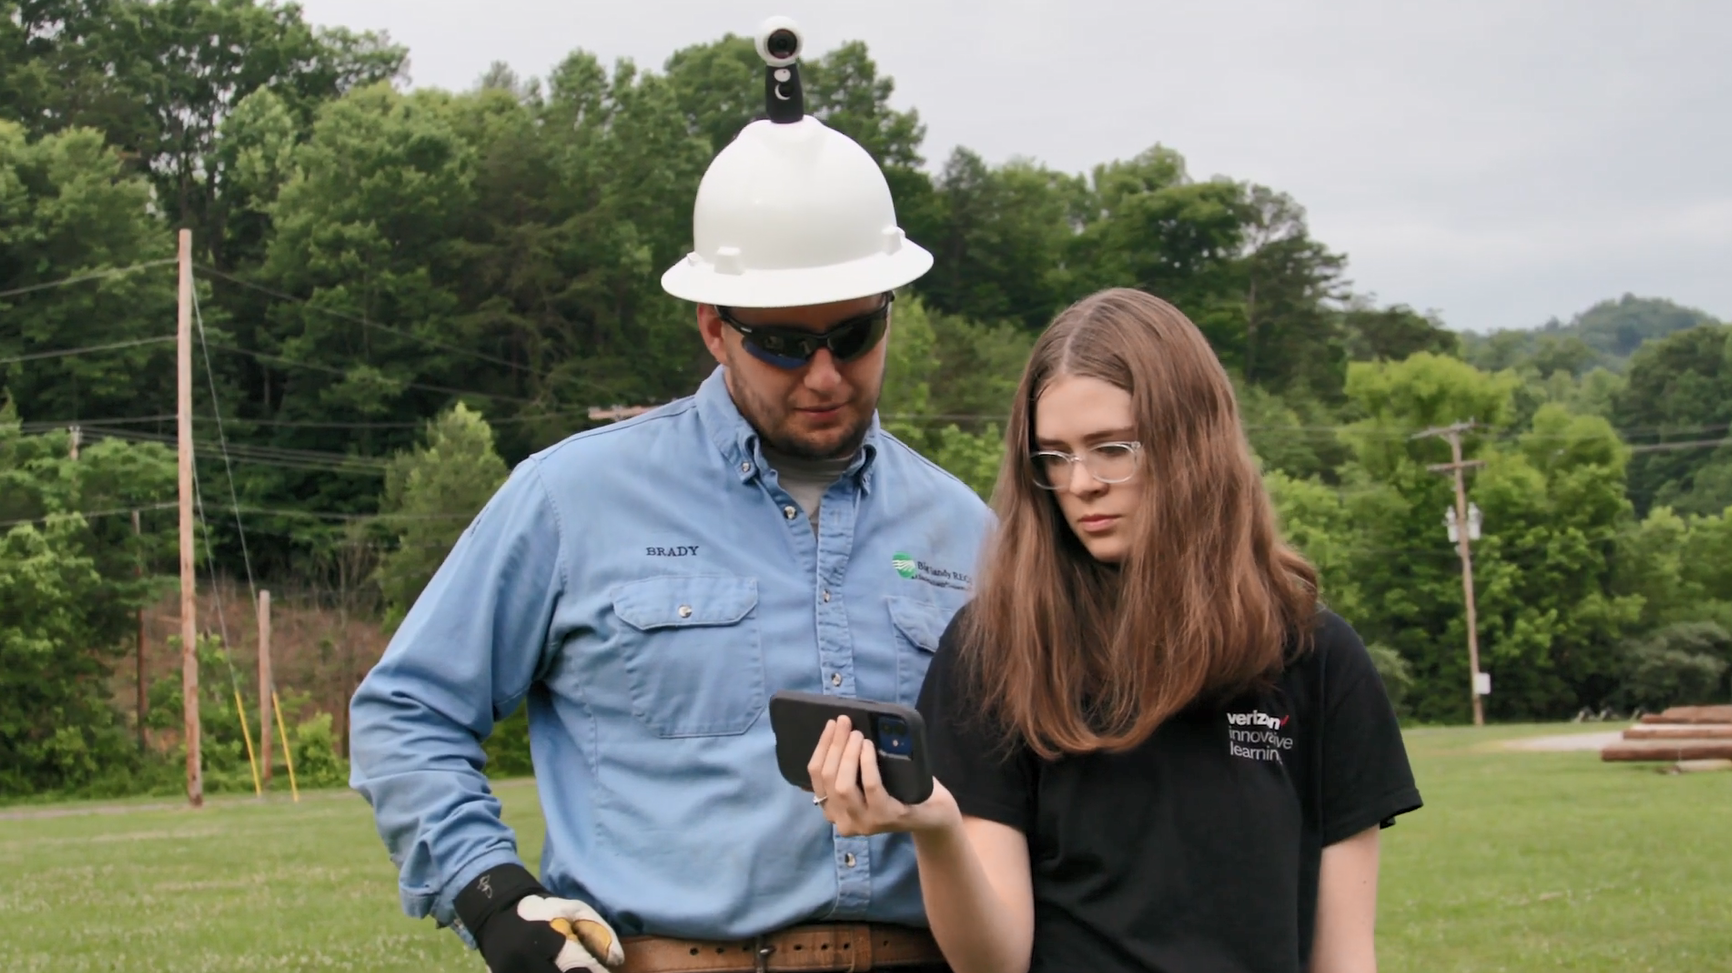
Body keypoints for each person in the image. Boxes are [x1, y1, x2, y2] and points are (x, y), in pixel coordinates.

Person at [348, 17, 990, 973]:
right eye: (782, 340)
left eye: (854, 334)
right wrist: (494, 896)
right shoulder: (573, 498)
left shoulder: (969, 530)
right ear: (712, 327)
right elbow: (406, 710)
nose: (824, 374)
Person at [808, 287, 1424, 973]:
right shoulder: (996, 649)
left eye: (1111, 448)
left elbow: (1343, 955)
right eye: (1056, 455)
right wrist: (938, 829)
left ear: (1194, 443)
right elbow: (993, 960)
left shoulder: (1316, 656)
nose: (1082, 483)